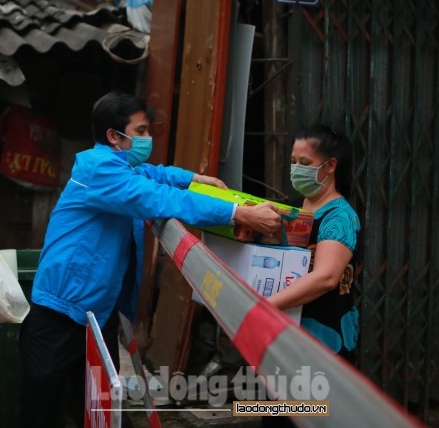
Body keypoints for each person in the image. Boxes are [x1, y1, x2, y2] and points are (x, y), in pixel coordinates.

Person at [19, 92, 281, 427]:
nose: (148, 139)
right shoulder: (101, 171)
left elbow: (154, 175)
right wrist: (237, 213)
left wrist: (194, 179)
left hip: (96, 313)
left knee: (95, 407)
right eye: (140, 131)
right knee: (42, 410)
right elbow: (157, 197)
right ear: (114, 136)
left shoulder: (119, 164)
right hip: (60, 312)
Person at [267, 124, 361, 360]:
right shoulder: (294, 207)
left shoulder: (339, 217)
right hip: (286, 334)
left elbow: (326, 278)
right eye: (293, 161)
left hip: (324, 341)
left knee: (314, 398)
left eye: (305, 163)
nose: (296, 169)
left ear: (330, 166)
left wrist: (262, 306)